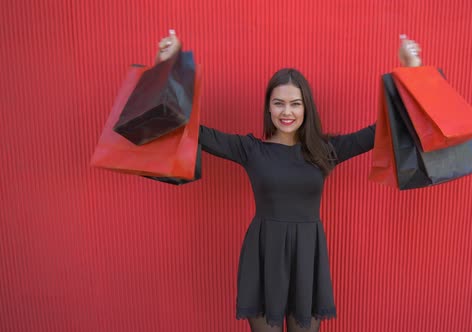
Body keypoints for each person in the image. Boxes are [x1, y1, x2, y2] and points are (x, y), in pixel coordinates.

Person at [155, 31, 422, 332]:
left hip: (308, 257)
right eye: (279, 103)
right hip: (264, 255)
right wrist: (168, 65)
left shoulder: (325, 150)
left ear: (305, 108)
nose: (287, 112)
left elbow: (385, 127)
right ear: (268, 107)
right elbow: (187, 126)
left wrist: (409, 70)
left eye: (295, 104)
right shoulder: (250, 149)